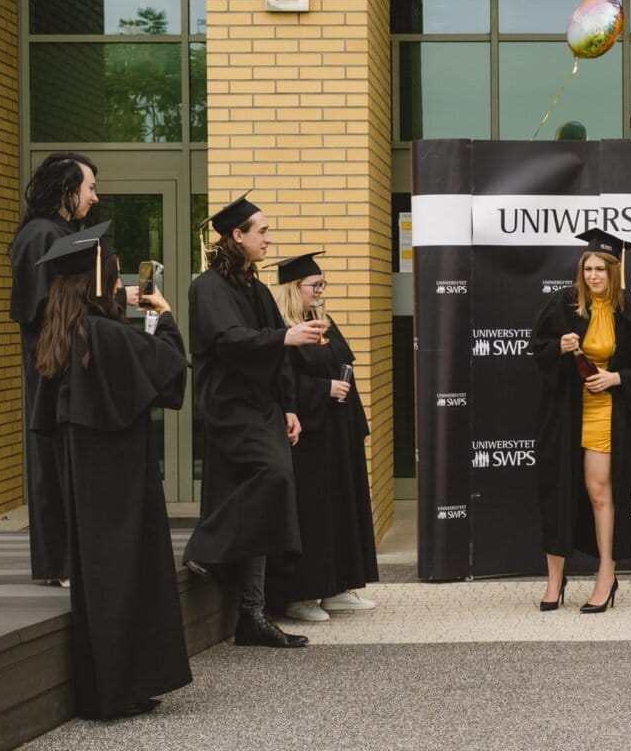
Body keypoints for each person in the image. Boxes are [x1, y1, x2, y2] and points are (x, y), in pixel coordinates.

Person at [30, 222, 191, 718]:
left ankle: (107, 689)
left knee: (100, 580)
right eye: (115, 272)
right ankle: (123, 689)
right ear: (97, 278)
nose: (120, 281)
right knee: (128, 574)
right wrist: (163, 317)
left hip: (85, 479)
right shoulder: (101, 333)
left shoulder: (61, 334)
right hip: (122, 479)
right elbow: (168, 368)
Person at [182, 194, 326, 648]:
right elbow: (228, 340)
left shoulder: (257, 290)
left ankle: (252, 614)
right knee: (274, 476)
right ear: (236, 236)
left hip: (263, 405)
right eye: (260, 231)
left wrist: (288, 406)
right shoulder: (207, 288)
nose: (268, 238)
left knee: (268, 496)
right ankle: (206, 546)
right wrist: (287, 334)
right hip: (228, 405)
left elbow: (279, 356)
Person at [529, 229, 631, 613]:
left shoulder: (627, 315)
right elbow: (536, 347)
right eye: (588, 268)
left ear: (614, 272)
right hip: (564, 413)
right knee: (558, 491)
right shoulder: (564, 304)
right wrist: (559, 346)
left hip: (605, 413)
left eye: (601, 269)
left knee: (599, 491)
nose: (593, 276)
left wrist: (616, 378)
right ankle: (555, 580)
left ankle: (606, 575)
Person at [268, 252, 379, 622]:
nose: (320, 292)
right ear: (292, 289)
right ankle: (300, 596)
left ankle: (338, 588)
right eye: (314, 286)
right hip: (307, 435)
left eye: (321, 285)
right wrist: (321, 390)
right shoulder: (282, 330)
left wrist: (358, 426)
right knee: (312, 512)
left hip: (336, 430)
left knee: (341, 508)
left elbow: (346, 370)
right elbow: (280, 384)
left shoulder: (322, 323)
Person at [8, 152, 100, 585]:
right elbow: (44, 307)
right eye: (89, 188)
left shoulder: (58, 232)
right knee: (53, 460)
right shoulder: (42, 235)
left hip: (60, 363)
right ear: (67, 190)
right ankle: (60, 563)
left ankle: (66, 560)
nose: (94, 199)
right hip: (52, 367)